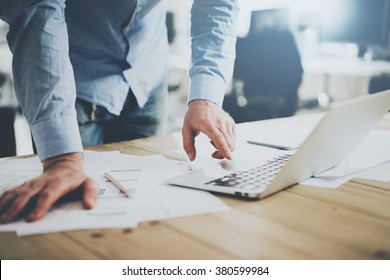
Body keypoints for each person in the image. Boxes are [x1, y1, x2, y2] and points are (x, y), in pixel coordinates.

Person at [0, 0, 239, 223]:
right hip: (72, 79)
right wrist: (62, 159)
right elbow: (36, 8)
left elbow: (216, 4)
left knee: (146, 204)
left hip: (147, 73)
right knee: (73, 214)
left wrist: (206, 96)